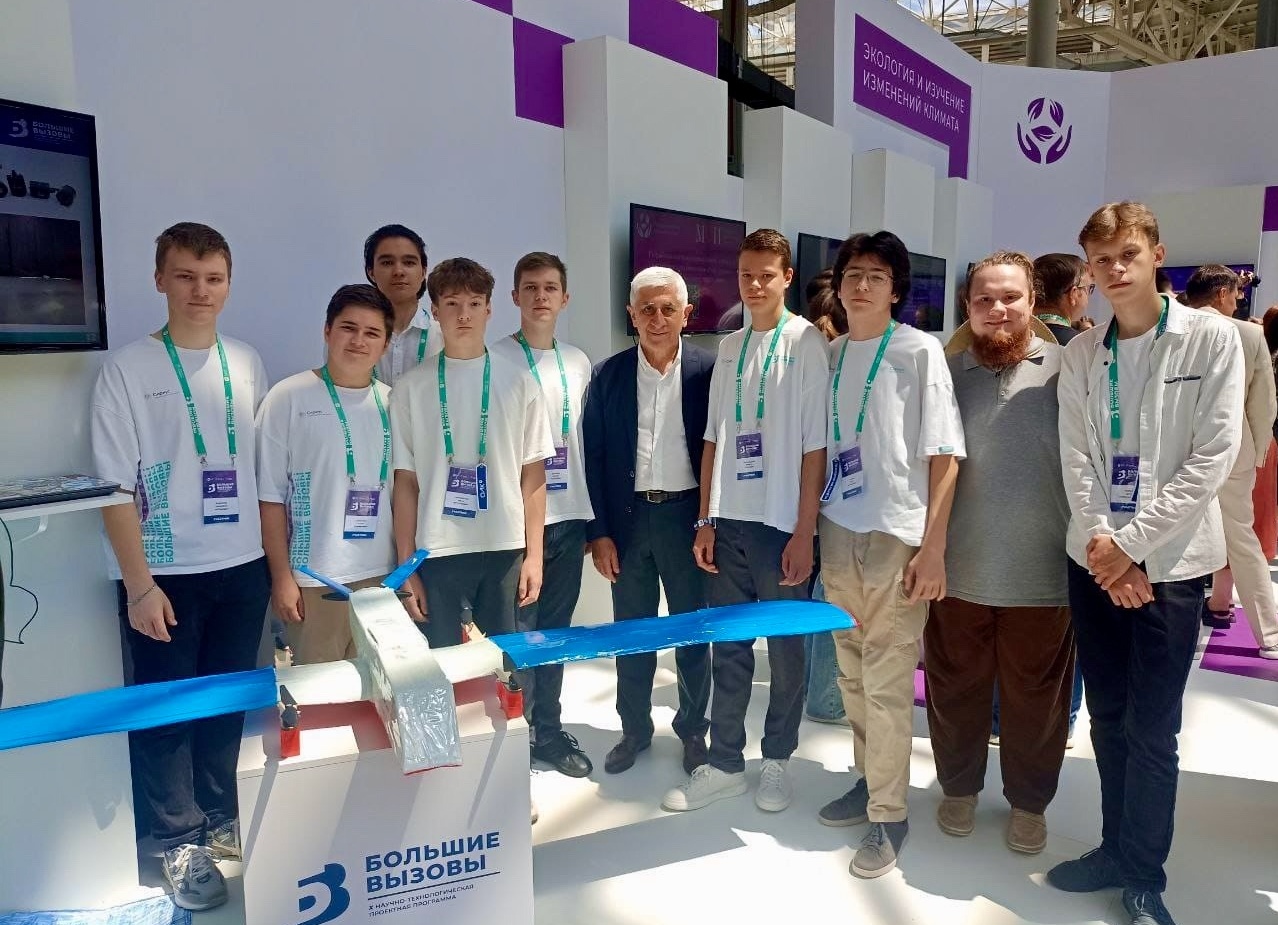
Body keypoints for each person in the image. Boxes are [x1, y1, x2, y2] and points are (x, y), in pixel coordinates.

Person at [1049, 202, 1243, 925]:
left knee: (1153, 730)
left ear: (1156, 254)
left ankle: (1143, 875)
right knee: (1107, 717)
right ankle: (1112, 847)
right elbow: (1076, 459)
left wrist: (1131, 546)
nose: (1115, 270)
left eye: (1127, 254)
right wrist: (1107, 546)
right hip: (1095, 561)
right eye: (1101, 261)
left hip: (1173, 566)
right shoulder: (1081, 353)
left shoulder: (1212, 339)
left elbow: (1212, 457)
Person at [91, 222, 270, 912]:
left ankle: (219, 816)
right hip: (163, 572)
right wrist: (139, 585)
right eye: (187, 276)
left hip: (242, 564)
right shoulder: (128, 369)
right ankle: (175, 840)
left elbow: (261, 471)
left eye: (214, 278)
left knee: (225, 703)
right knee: (165, 712)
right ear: (160, 279)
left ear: (229, 284)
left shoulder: (246, 361)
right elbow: (113, 488)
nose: (201, 290)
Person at [813, 231, 964, 879]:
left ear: (896, 289)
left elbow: (945, 454)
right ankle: (868, 779)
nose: (862, 285)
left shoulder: (918, 350)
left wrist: (933, 547)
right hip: (837, 526)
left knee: (887, 679)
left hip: (896, 534)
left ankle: (890, 811)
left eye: (876, 276)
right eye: (853, 273)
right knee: (851, 672)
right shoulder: (832, 353)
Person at [661, 229, 827, 815]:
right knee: (728, 648)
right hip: (727, 521)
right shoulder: (729, 346)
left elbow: (815, 447)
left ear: (787, 278)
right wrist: (705, 518)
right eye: (745, 275)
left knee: (785, 653)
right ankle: (726, 763)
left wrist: (804, 531)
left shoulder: (806, 342)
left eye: (766, 275)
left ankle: (777, 759)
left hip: (780, 525)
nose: (754, 285)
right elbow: (713, 439)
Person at [925, 252, 1071, 856]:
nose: (998, 309)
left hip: (1043, 572)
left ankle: (1029, 804)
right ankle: (958, 789)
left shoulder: (1070, 370)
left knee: (1036, 702)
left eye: (1010, 297)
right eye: (984, 299)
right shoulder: (944, 373)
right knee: (954, 689)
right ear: (968, 306)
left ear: (1032, 300)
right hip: (958, 568)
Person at [582, 267, 714, 776]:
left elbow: (720, 450)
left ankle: (693, 730)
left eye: (667, 309)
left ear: (686, 314)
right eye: (647, 309)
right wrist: (599, 532)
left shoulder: (709, 371)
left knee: (691, 632)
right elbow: (593, 457)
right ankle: (634, 729)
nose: (657, 319)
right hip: (629, 521)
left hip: (687, 519)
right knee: (632, 633)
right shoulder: (608, 375)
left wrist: (709, 521)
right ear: (631, 315)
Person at [389, 258, 552, 648]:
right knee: (442, 666)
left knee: (508, 665)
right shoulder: (410, 388)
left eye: (475, 304)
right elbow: (405, 483)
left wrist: (534, 555)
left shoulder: (520, 382)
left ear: (489, 309)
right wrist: (407, 566)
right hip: (436, 549)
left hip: (504, 547)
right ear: (434, 310)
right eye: (452, 304)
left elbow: (533, 475)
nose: (464, 315)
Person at [489, 252, 595, 776]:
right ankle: (512, 739)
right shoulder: (494, 360)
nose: (540, 296)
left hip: (569, 517)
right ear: (515, 296)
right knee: (516, 637)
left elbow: (586, 442)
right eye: (530, 287)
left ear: (565, 298)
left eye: (550, 287)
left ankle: (548, 732)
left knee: (555, 634)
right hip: (515, 522)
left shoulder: (578, 362)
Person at [256, 284, 400, 665]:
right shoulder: (288, 397)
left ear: (386, 344)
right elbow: (269, 497)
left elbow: (405, 493)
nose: (359, 341)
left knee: (378, 691)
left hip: (384, 578)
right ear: (327, 331)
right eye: (348, 328)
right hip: (315, 580)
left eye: (372, 333)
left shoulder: (395, 402)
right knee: (320, 692)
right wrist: (281, 577)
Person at [1182, 265, 1278, 657]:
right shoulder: (1249, 334)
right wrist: (1256, 454)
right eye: (1236, 295)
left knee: (1172, 537)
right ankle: (1269, 635)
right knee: (1242, 539)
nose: (1238, 302)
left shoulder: (1171, 328)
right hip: (1233, 449)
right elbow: (1263, 405)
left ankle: (1175, 632)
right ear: (1222, 293)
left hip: (1176, 448)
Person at [363, 224, 444, 385]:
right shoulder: (353, 336)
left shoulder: (443, 336)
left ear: (423, 272)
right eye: (387, 263)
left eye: (409, 262)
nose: (398, 271)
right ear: (371, 272)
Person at [1032, 252, 1093, 346]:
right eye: (1089, 288)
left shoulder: (1013, 339)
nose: (1089, 295)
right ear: (1074, 294)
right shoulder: (1084, 348)